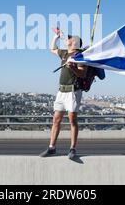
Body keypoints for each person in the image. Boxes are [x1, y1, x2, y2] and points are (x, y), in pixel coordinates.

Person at [39, 28, 87, 160]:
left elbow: (82, 74)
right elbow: (52, 49)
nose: (67, 39)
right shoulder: (65, 54)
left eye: (69, 38)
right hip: (61, 91)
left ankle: (72, 149)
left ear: (75, 43)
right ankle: (52, 147)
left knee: (72, 120)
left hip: (72, 92)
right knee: (56, 120)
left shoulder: (81, 57)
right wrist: (56, 37)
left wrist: (73, 68)